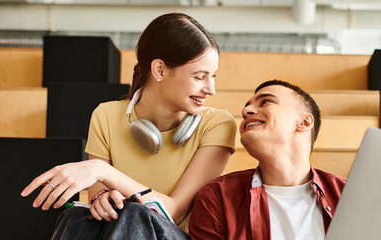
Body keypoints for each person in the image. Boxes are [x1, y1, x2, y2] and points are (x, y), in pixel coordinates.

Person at [20, 13, 237, 239]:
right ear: (160, 70)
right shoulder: (106, 115)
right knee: (77, 218)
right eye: (200, 77)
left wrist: (102, 171)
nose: (211, 89)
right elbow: (98, 198)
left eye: (213, 76)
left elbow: (175, 212)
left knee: (135, 214)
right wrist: (102, 200)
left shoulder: (217, 124)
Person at [189, 80, 346, 240]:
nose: (246, 111)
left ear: (304, 122)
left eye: (266, 102)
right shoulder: (218, 198)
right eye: (247, 106)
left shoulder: (347, 194)